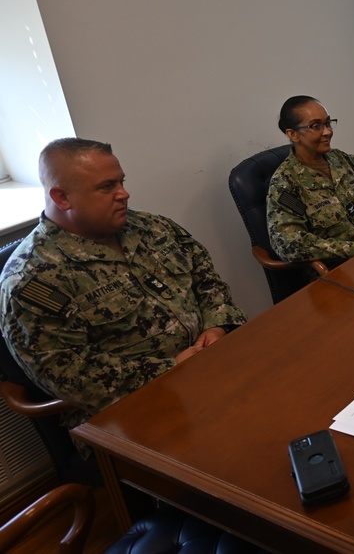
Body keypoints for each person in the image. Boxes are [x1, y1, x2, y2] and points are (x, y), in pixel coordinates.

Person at [0, 138, 246, 438]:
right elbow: (71, 377)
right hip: (131, 413)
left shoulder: (151, 227)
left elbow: (206, 279)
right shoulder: (32, 280)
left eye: (121, 182)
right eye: (107, 187)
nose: (124, 194)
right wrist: (172, 368)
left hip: (213, 368)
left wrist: (217, 326)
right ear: (61, 197)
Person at [266, 95, 354, 269]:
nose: (327, 131)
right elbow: (289, 244)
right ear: (293, 134)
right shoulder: (286, 185)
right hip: (339, 274)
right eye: (316, 126)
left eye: (328, 123)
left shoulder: (346, 161)